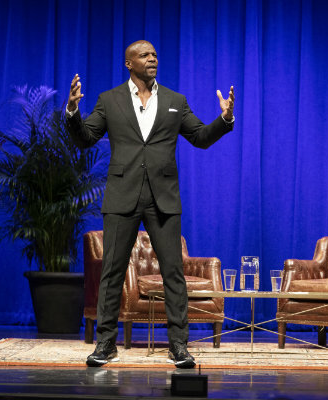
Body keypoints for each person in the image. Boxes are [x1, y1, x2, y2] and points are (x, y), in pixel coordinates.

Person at [65, 40, 235, 368]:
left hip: (163, 199)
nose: (152, 59)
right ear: (129, 64)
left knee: (173, 273)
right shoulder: (109, 100)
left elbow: (200, 138)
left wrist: (224, 120)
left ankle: (178, 346)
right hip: (122, 196)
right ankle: (105, 344)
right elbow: (85, 138)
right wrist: (72, 112)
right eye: (144, 55)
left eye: (155, 54)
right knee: (112, 271)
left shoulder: (175, 101)